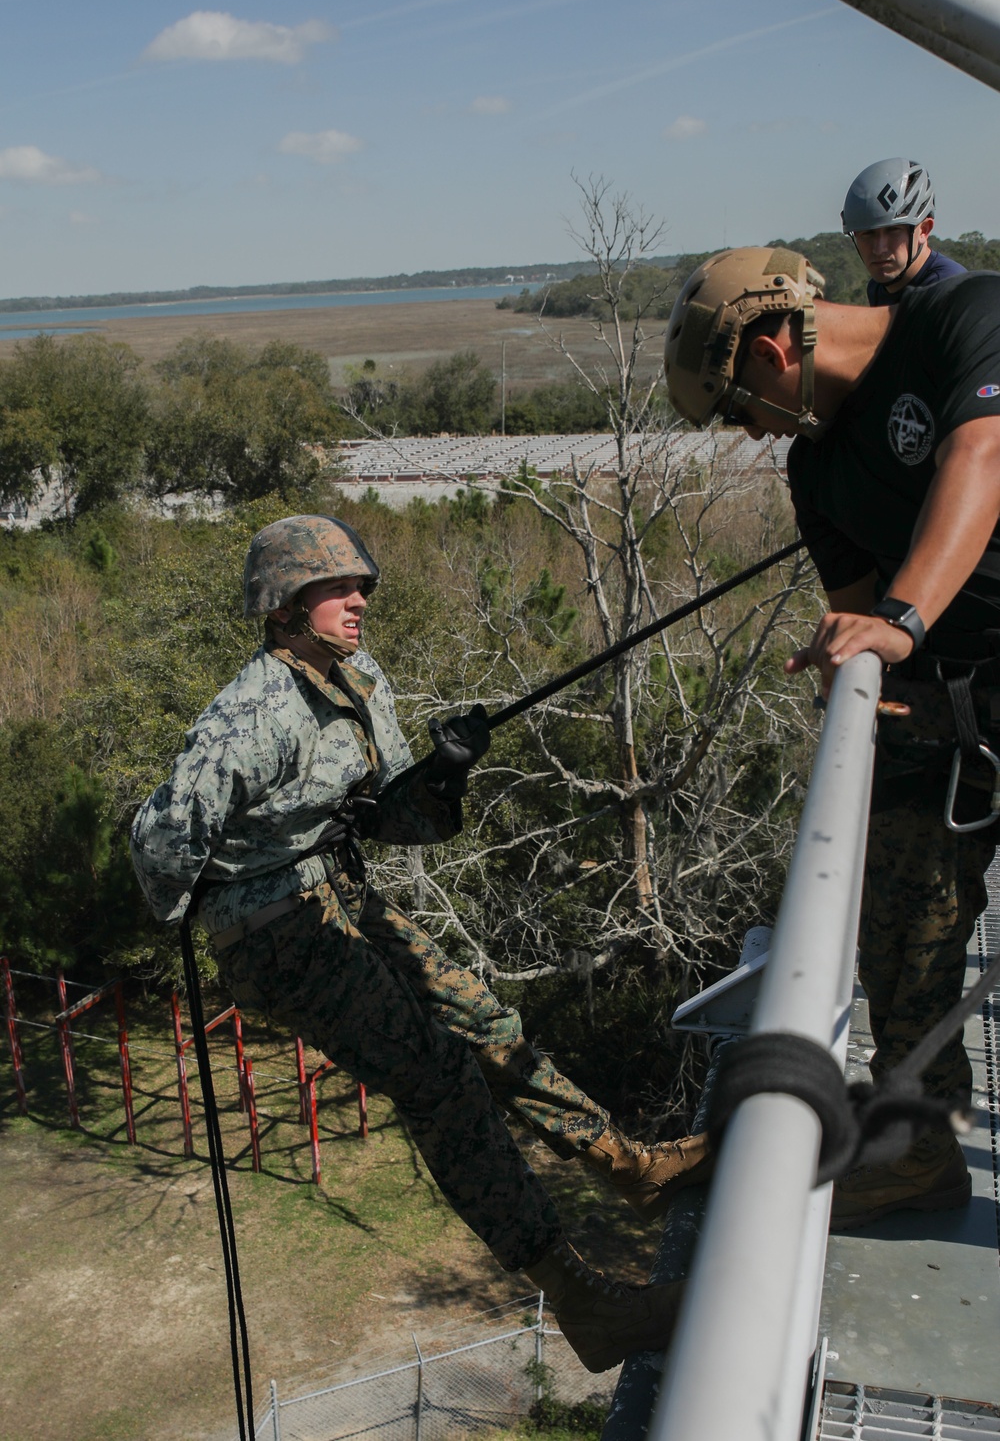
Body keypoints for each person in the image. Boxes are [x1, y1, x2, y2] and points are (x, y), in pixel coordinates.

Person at [130, 514, 709, 1371]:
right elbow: (156, 843)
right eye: (338, 586)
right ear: (286, 605)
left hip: (339, 897)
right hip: (277, 933)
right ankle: (588, 1305)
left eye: (361, 584)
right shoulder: (252, 713)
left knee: (484, 1022)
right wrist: (216, 897)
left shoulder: (360, 681)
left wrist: (444, 772)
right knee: (438, 1079)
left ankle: (631, 1169)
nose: (359, 598)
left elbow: (398, 818)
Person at [663, 246, 1000, 1228]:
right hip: (946, 711)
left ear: (773, 349)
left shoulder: (961, 318)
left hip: (950, 659)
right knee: (900, 929)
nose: (750, 433)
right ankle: (913, 1150)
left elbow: (981, 457)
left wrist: (900, 618)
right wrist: (856, 672)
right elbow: (854, 612)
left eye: (736, 407)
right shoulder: (818, 467)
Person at [842, 157, 965, 307]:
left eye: (893, 230)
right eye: (867, 234)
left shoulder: (949, 287)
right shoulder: (877, 288)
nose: (879, 249)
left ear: (924, 230)